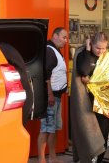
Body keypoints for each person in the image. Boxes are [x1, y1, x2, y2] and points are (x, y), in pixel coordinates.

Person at [70, 32, 109, 163]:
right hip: (86, 103)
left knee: (103, 137)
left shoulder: (108, 56)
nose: (101, 51)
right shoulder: (83, 54)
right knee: (88, 136)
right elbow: (83, 71)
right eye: (98, 48)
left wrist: (90, 82)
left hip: (103, 105)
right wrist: (88, 49)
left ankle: (99, 161)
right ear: (91, 44)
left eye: (104, 48)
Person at [38, 27, 68, 163]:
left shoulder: (55, 51)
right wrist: (49, 94)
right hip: (50, 98)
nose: (66, 41)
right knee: (46, 129)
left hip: (56, 97)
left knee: (54, 128)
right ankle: (42, 159)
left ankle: (52, 157)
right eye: (64, 37)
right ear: (55, 36)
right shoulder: (50, 51)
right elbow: (46, 75)